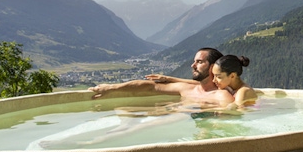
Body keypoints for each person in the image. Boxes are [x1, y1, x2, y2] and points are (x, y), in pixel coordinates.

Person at [88, 47, 233, 106]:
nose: (192, 65)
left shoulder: (221, 96)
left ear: (214, 67)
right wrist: (112, 88)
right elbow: (151, 87)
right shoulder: (187, 89)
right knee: (125, 111)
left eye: (199, 62)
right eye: (194, 61)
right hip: (185, 122)